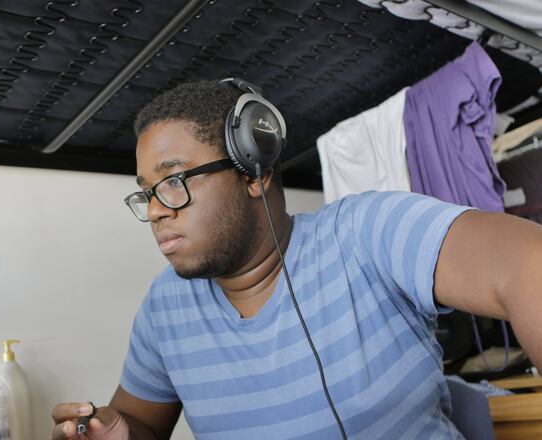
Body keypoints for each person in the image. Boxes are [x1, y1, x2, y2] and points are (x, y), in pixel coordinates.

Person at [50, 80, 542, 439]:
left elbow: (526, 261)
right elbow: (141, 425)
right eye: (147, 192)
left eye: (174, 180)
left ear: (253, 173)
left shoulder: (365, 231)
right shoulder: (164, 306)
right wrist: (118, 432)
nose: (157, 209)